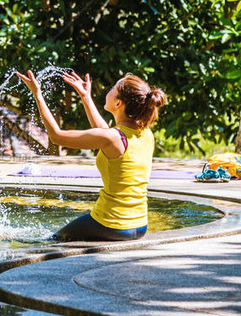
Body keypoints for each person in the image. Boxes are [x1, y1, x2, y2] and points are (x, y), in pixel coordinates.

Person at [16, 69, 167, 242]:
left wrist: (37, 94)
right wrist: (85, 97)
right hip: (139, 225)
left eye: (113, 89)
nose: (108, 92)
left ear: (119, 104)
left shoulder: (112, 138)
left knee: (50, 241)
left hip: (111, 223)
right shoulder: (145, 134)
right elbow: (107, 135)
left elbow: (56, 136)